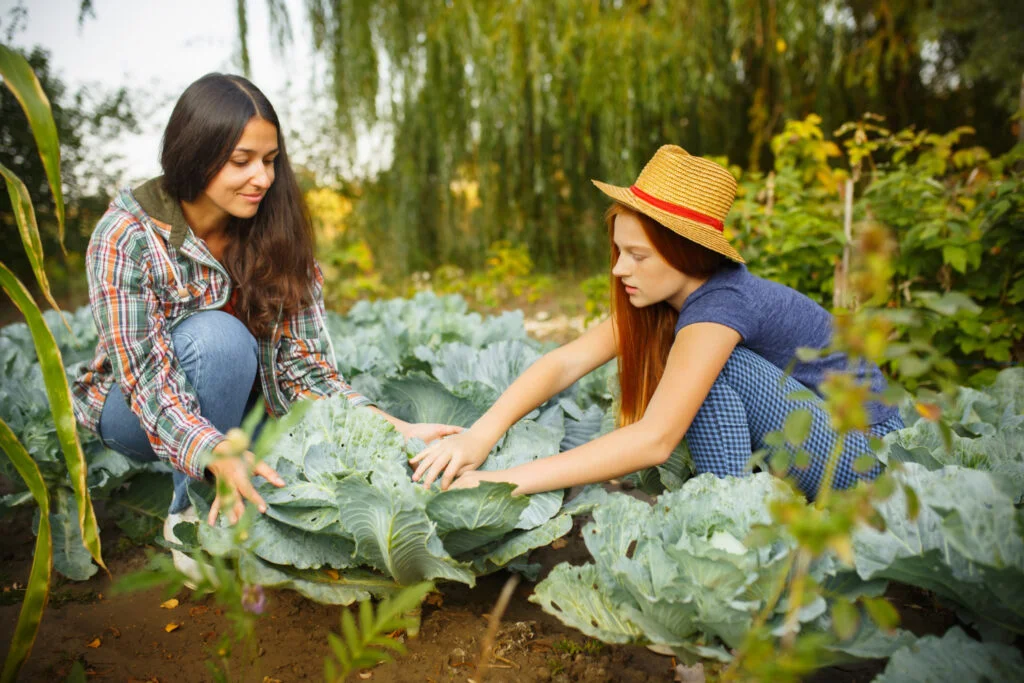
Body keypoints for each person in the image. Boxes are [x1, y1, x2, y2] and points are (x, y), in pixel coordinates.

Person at [71, 73, 460, 543]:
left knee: (289, 479)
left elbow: (304, 371)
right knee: (220, 340)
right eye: (242, 161)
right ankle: (189, 521)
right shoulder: (127, 236)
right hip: (133, 410)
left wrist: (399, 429)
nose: (263, 178)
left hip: (243, 407)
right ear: (195, 153)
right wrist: (213, 451)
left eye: (271, 160)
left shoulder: (274, 229)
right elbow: (148, 381)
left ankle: (230, 486)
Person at [410, 145, 903, 500]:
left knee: (714, 370)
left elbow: (655, 439)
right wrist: (480, 434)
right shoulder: (668, 299)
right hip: (819, 444)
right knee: (704, 370)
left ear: (684, 253)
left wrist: (503, 481)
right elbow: (564, 363)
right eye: (618, 251)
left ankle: (724, 511)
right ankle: (725, 508)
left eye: (637, 255)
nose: (618, 268)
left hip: (869, 461)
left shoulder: (721, 305)